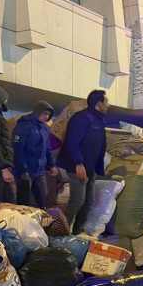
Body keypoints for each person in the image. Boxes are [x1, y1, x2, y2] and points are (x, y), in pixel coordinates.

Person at [57, 89, 109, 233]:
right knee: (77, 200)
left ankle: (78, 232)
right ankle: (61, 232)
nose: (108, 105)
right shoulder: (82, 118)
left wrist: (99, 168)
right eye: (106, 102)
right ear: (99, 104)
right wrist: (78, 163)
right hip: (78, 167)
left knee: (88, 202)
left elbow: (99, 145)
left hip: (90, 168)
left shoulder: (99, 120)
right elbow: (72, 142)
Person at [13, 100, 58, 208]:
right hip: (26, 169)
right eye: (44, 113)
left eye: (48, 115)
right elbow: (17, 148)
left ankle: (40, 221)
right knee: (24, 199)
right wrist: (22, 169)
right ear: (37, 112)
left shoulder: (45, 128)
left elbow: (47, 148)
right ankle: (22, 221)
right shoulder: (24, 125)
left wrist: (52, 165)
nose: (46, 117)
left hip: (39, 170)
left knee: (42, 198)